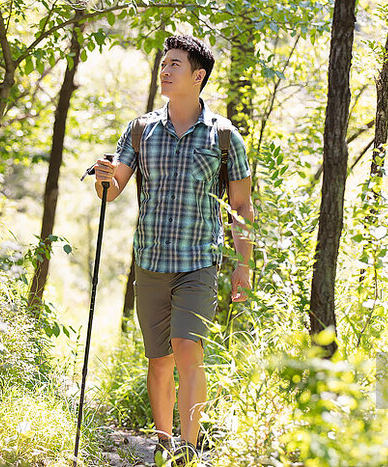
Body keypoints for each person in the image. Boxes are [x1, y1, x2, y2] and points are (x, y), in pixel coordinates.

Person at [93, 34, 254, 465]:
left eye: (175, 64)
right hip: (150, 261)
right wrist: (103, 176)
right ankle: (164, 444)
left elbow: (241, 205)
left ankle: (188, 447)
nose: (165, 70)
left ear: (198, 76)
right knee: (160, 359)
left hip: (199, 260)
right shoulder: (142, 129)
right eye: (163, 63)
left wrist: (243, 265)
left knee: (188, 348)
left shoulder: (224, 136)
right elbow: (113, 191)